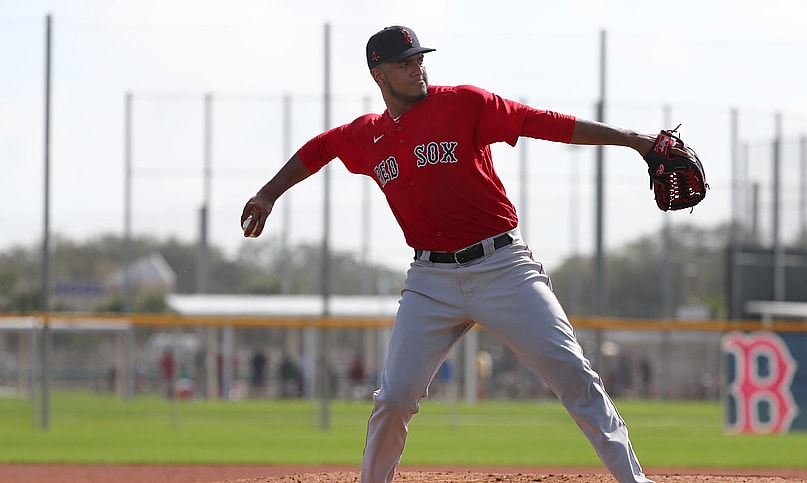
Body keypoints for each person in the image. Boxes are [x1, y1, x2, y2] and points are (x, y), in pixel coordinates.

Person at [241, 25, 694, 483]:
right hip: (429, 280)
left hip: (503, 267)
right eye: (404, 63)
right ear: (379, 74)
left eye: (419, 59)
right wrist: (267, 194)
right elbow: (318, 150)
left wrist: (636, 140)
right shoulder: (366, 135)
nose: (417, 69)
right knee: (394, 397)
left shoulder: (464, 103)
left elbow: (542, 121)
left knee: (574, 374)